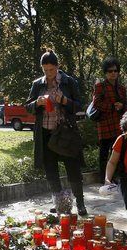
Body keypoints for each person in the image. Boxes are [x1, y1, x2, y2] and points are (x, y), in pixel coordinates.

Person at [25, 50, 86, 215]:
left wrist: (64, 101)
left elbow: (80, 105)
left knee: (73, 168)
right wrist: (37, 103)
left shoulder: (69, 82)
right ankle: (60, 203)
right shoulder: (37, 84)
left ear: (58, 67)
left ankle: (80, 203)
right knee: (51, 171)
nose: (48, 74)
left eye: (51, 70)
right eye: (45, 70)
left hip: (65, 133)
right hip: (45, 133)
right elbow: (28, 107)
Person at [93, 57, 127, 183]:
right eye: (109, 71)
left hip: (118, 126)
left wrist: (122, 106)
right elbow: (96, 103)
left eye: (115, 70)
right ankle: (104, 179)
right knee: (104, 154)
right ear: (105, 72)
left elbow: (126, 107)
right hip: (105, 125)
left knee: (118, 153)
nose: (113, 73)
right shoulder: (100, 86)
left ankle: (117, 177)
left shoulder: (122, 88)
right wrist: (112, 107)